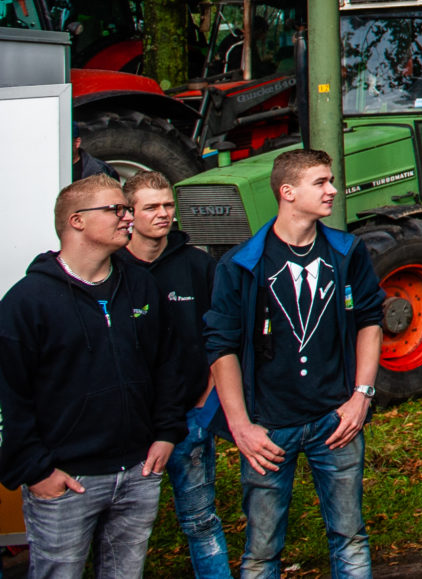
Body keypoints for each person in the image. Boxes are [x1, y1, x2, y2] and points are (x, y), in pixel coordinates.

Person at [205, 150, 386, 579]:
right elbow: (221, 347)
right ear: (287, 192)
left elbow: (370, 321)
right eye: (321, 182)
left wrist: (361, 396)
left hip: (335, 421)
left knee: (351, 538)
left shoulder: (346, 251)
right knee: (262, 551)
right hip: (268, 428)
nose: (333, 190)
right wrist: (241, 426)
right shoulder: (241, 264)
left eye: (331, 181)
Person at [0, 176, 181, 579]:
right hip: (66, 481)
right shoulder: (27, 301)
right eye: (115, 209)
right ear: (77, 221)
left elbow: (166, 365)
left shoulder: (140, 285)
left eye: (126, 209)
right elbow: (10, 395)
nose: (127, 217)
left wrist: (166, 432)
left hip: (137, 472)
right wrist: (36, 471)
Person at [124, 171, 230, 579]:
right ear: (129, 213)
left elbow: (221, 339)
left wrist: (205, 407)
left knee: (201, 521)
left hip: (189, 419)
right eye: (151, 207)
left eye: (168, 205)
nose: (164, 214)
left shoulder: (199, 265)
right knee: (126, 532)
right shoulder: (113, 267)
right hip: (130, 425)